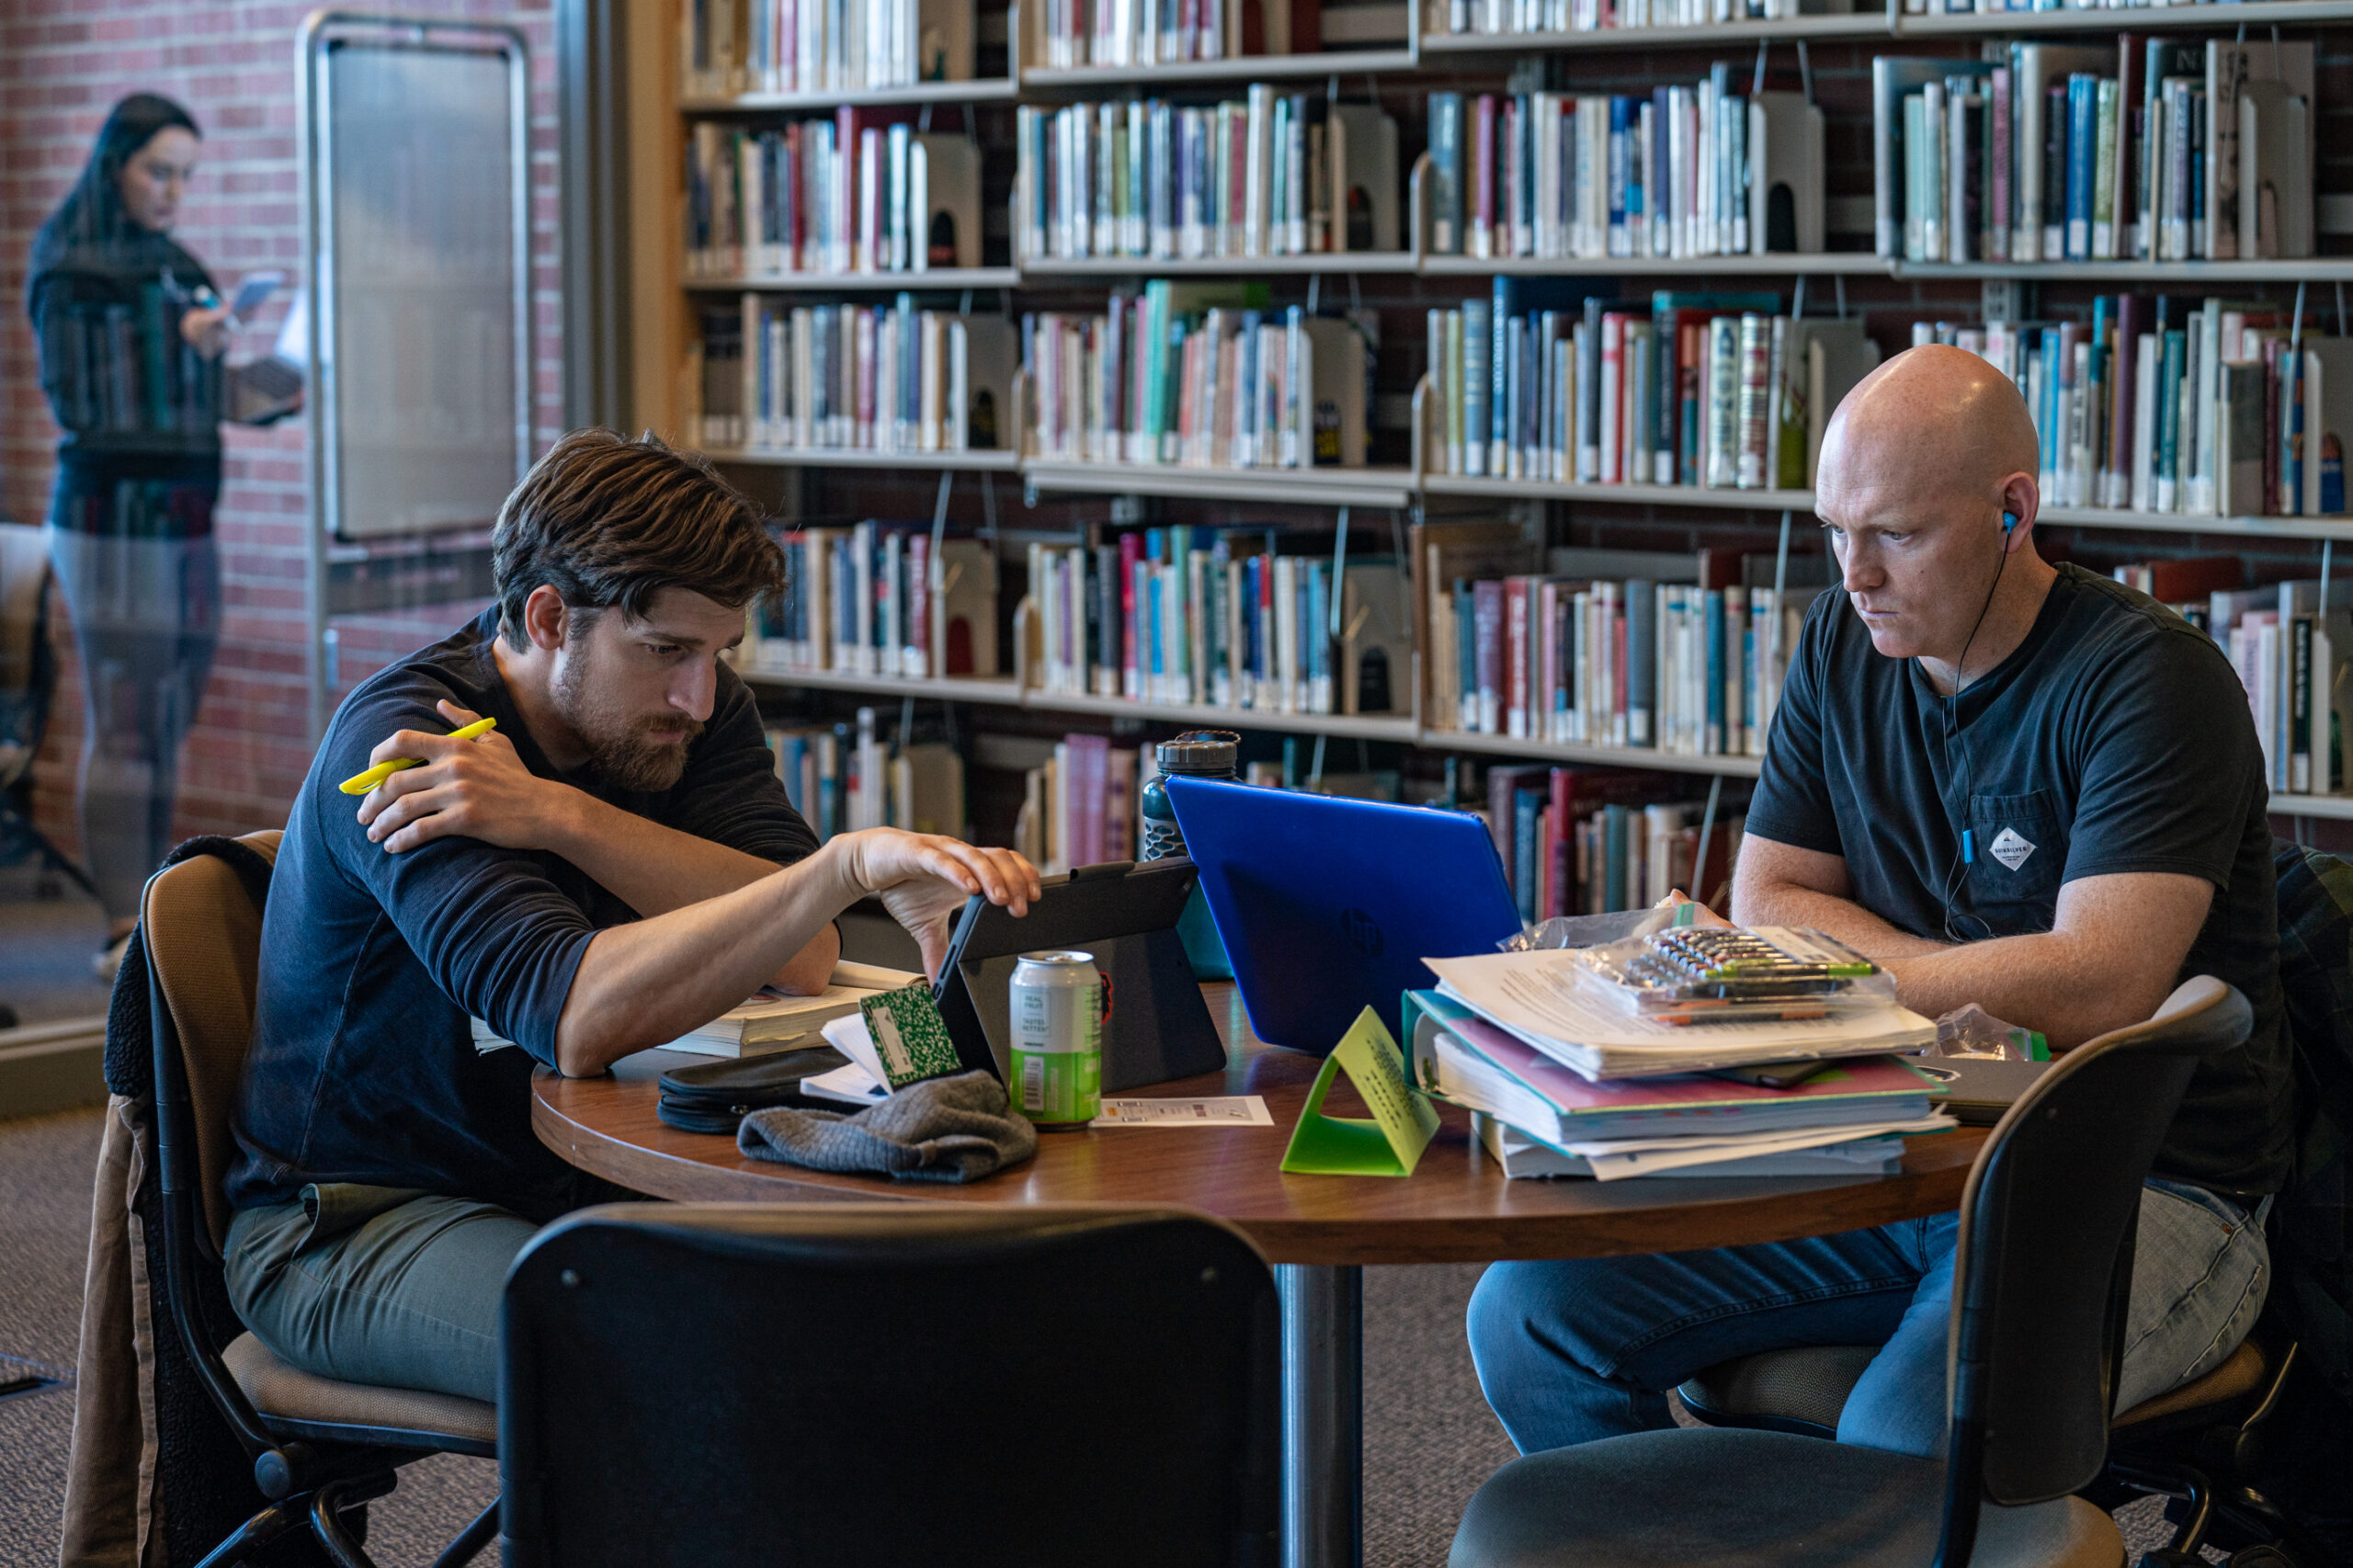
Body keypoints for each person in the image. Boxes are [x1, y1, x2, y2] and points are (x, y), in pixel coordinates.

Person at [1467, 345, 2290, 1458]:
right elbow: (1769, 897)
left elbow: (2098, 982)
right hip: (1895, 1145)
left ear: (2012, 511)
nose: (1855, 574)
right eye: (1835, 530)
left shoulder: (2151, 679)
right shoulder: (1840, 643)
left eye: (1896, 533)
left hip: (2139, 1180)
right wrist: (1954, 978)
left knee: (1904, 1428)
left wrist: (1833, 973)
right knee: (1529, 1316)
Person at [223, 428, 1040, 1405]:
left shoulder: (685, 712)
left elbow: (802, 949)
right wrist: (840, 867)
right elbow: (574, 1020)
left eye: (717, 653)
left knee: (887, 1305)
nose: (698, 697)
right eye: (666, 652)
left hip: (573, 1179)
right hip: (358, 1217)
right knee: (685, 1364)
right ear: (549, 617)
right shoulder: (414, 749)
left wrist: (559, 814)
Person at [27, 95, 297, 978]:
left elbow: (212, 398)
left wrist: (285, 378)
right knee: (126, 721)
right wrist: (181, 345)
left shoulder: (175, 264)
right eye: (159, 172)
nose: (174, 192)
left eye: (186, 175)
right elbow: (88, 404)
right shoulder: (72, 265)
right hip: (113, 518)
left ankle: (146, 910)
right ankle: (118, 927)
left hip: (187, 516)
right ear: (116, 167)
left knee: (167, 718)